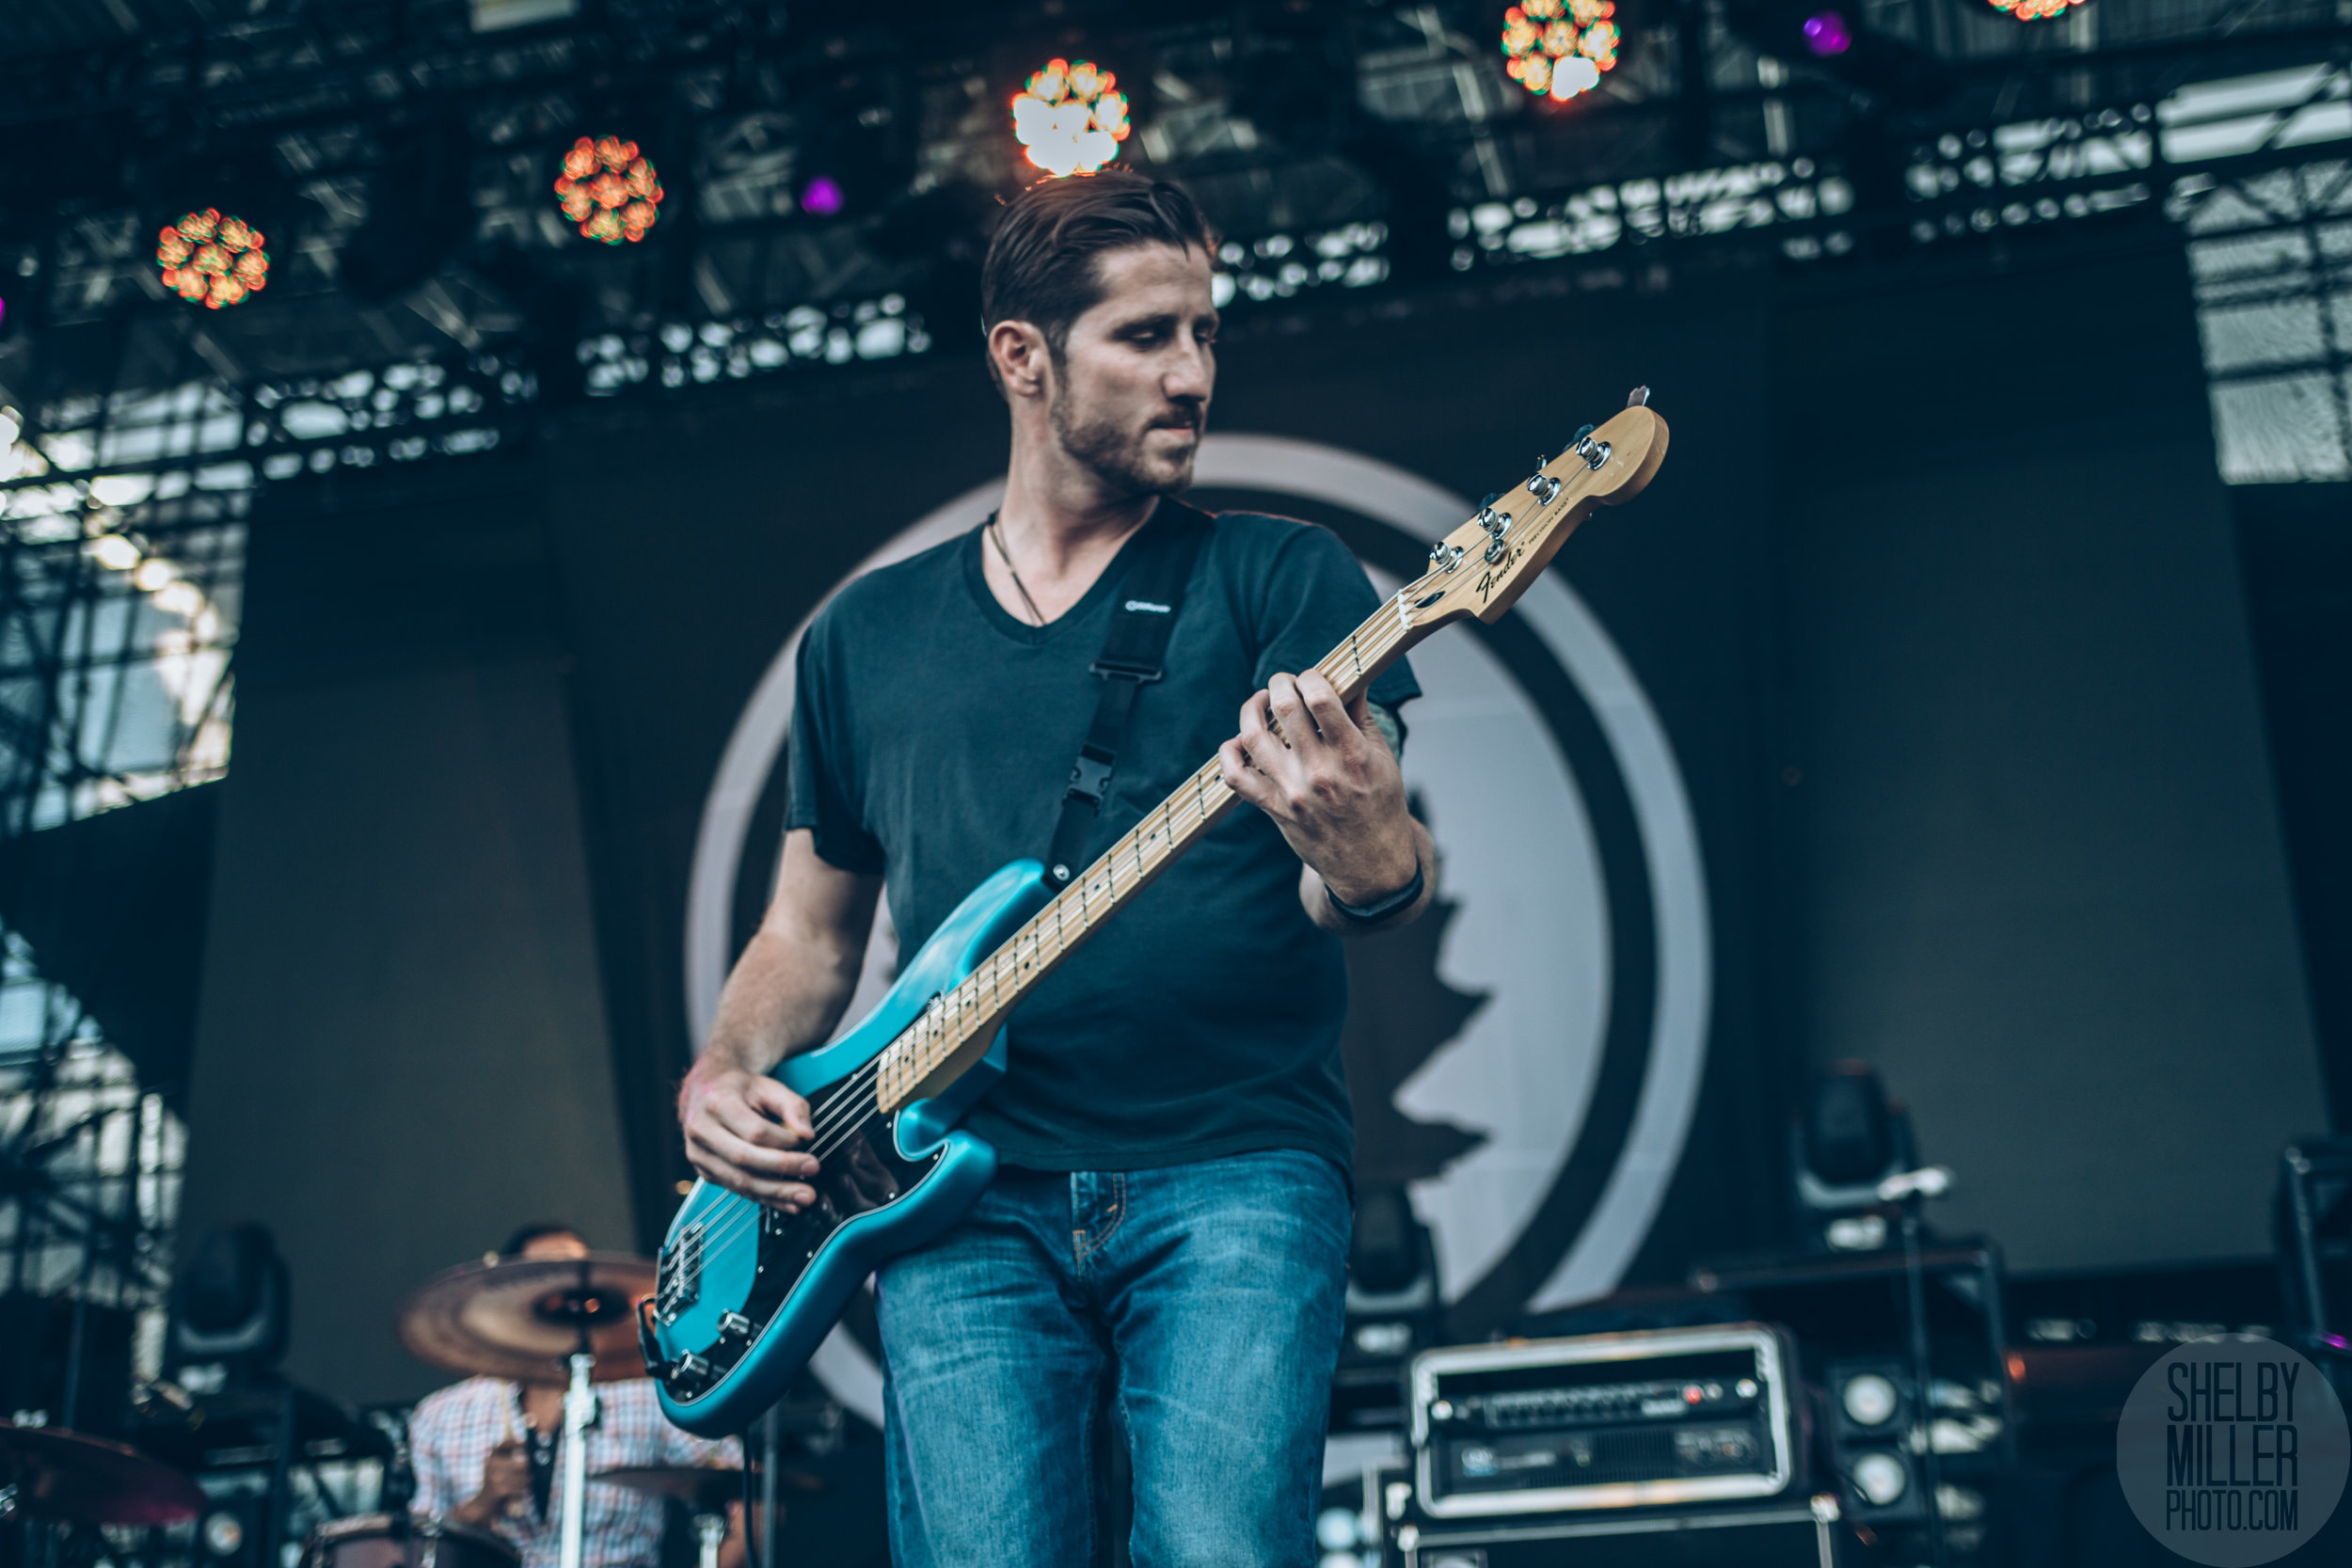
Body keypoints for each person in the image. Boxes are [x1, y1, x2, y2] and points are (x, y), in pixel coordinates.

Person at [676, 172, 1434, 1566]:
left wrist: (1370, 846)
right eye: (1146, 336)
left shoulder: (1283, 576)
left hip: (1231, 1164)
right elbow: (811, 932)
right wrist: (723, 1068)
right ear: (1021, 356)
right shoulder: (863, 635)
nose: (1193, 374)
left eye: (1205, 333)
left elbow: (1361, 879)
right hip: (952, 1189)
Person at [407, 1224, 749, 1568]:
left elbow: (749, 1492)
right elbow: (417, 1554)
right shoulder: (442, 1415)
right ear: (508, 1301)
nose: (566, 1299)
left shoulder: (646, 1398)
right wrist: (484, 1503)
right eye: (545, 1283)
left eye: (577, 1289)